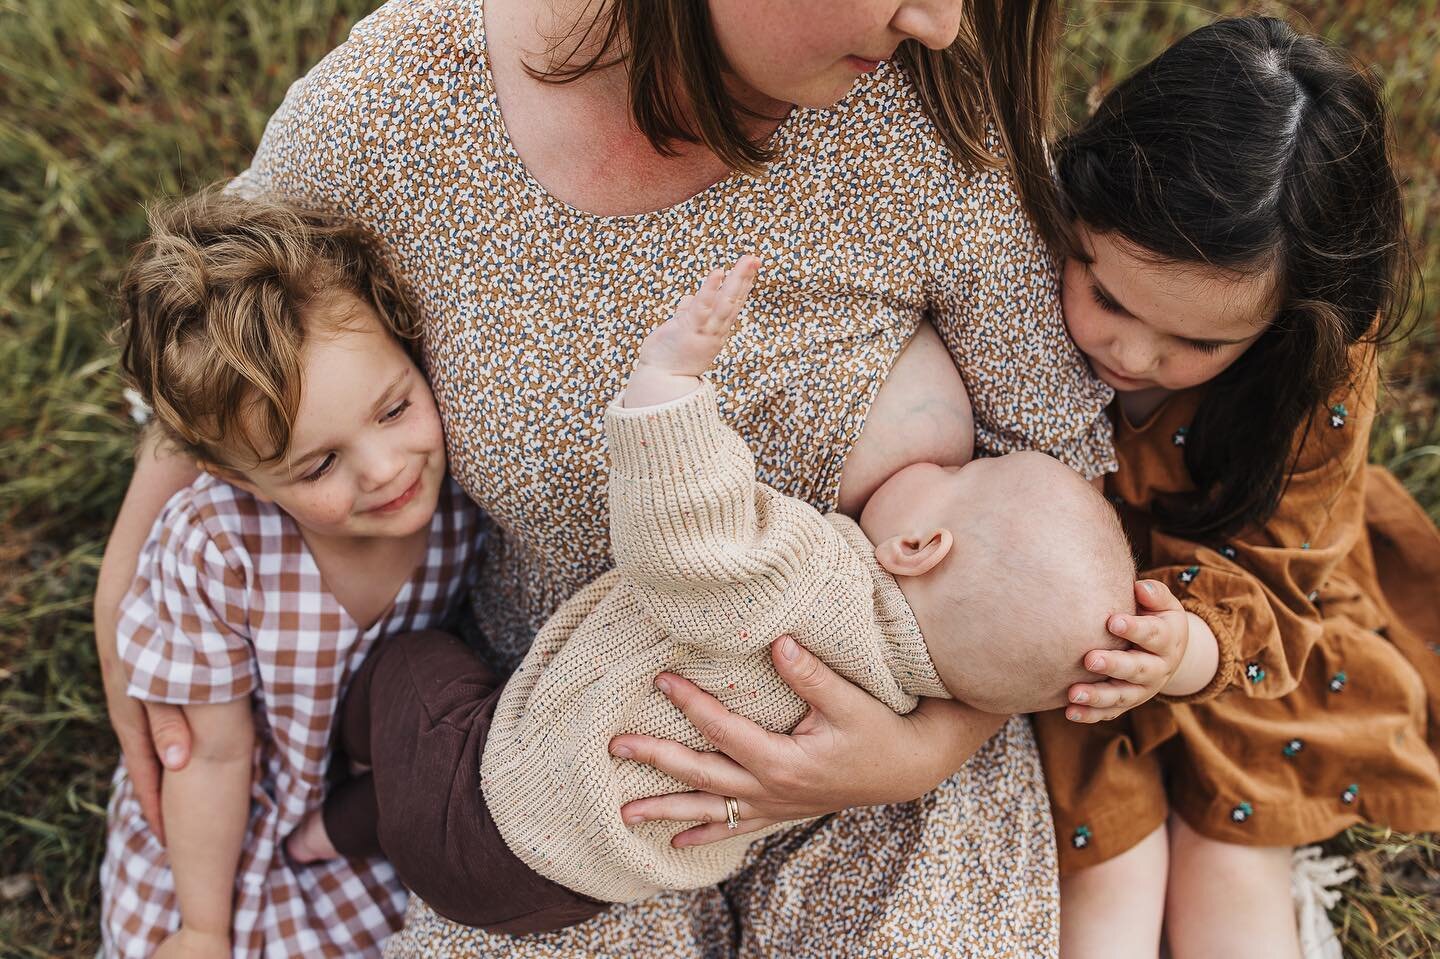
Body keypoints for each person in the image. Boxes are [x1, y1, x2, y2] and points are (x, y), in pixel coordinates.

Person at [94, 0, 1116, 953]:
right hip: (558, 753)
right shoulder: (401, 103)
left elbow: (1060, 489)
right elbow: (220, 327)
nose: (940, 23)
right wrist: (128, 578)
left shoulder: (932, 105)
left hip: (891, 748)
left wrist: (923, 750)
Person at [289, 257, 1152, 908]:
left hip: (497, 812)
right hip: (579, 889)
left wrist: (670, 386)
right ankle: (351, 826)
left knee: (413, 671)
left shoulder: (812, 582)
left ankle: (338, 802)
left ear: (921, 544)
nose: (948, 465)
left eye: (965, 474)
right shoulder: (892, 701)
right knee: (433, 769)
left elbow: (688, 536)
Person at [1030, 17, 1440, 958]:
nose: (1130, 353)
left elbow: (1274, 568)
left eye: (1201, 344)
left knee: (1231, 852)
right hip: (1067, 622)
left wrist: (1190, 649)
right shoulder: (1028, 237)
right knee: (1107, 871)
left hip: (1235, 607)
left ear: (1292, 325)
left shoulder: (1315, 378)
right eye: (1108, 298)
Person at [98, 191, 481, 957]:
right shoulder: (218, 548)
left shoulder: (466, 499)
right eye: (319, 464)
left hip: (366, 806)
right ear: (236, 478)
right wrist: (204, 925)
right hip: (223, 810)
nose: (386, 470)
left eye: (394, 408)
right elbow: (212, 754)